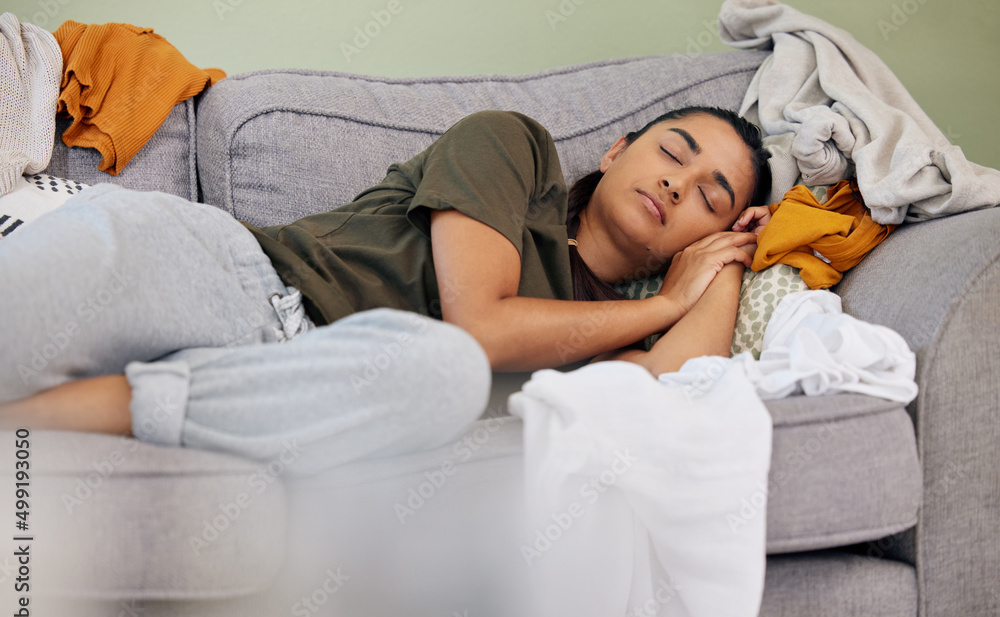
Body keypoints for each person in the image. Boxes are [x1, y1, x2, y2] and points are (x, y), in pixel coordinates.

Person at [0, 107, 770, 472]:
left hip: (327, 385)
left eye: (711, 196)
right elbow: (483, 324)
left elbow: (678, 374)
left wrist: (738, 252)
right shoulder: (518, 151)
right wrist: (668, 302)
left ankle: (88, 407)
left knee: (443, 375)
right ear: (617, 147)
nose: (679, 181)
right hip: (239, 281)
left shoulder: (610, 339)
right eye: (675, 151)